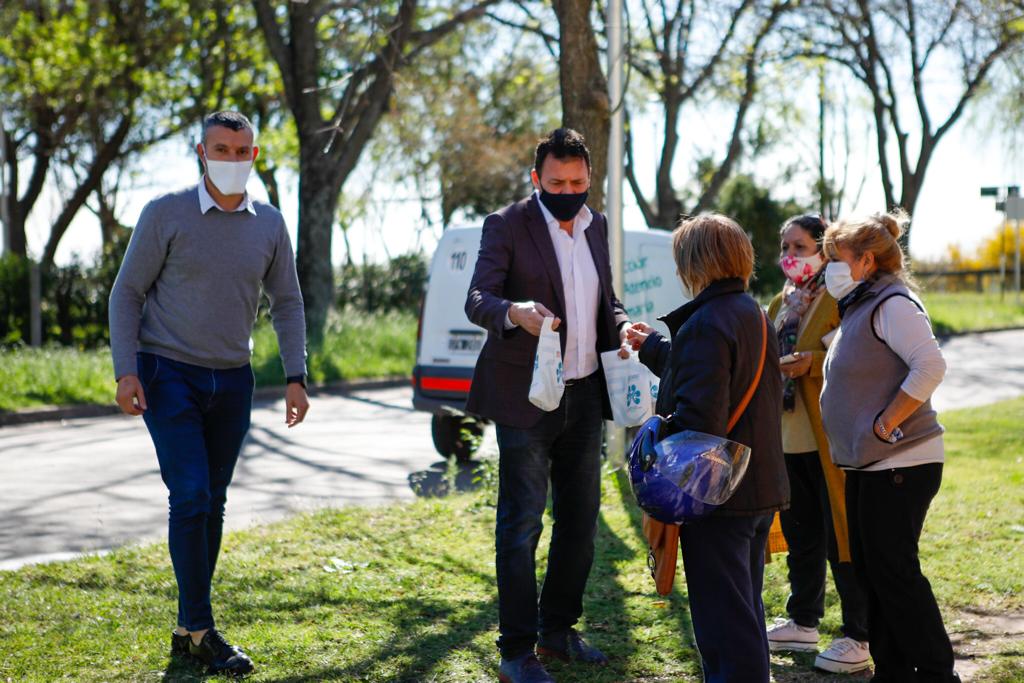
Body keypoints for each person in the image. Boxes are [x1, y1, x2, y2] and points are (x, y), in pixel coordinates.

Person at [109, 111, 309, 676]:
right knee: (192, 494)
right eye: (221, 148)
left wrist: (296, 374)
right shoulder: (164, 213)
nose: (232, 158)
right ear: (202, 153)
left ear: (255, 156)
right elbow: (127, 293)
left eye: (242, 150)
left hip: (233, 378)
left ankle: (185, 626)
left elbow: (287, 302)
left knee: (213, 501)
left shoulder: (269, 223)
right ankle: (202, 629)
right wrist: (127, 369)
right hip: (167, 371)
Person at [465, 128, 630, 683]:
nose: (568, 191)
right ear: (537, 179)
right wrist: (515, 312)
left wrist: (624, 325)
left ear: (590, 179)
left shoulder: (598, 225)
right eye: (556, 182)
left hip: (585, 395)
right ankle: (517, 651)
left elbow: (605, 298)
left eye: (578, 182)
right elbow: (478, 298)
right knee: (521, 525)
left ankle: (557, 630)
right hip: (526, 398)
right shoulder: (507, 224)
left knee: (580, 522)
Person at [626, 213, 788, 683]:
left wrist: (656, 428)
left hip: (718, 498)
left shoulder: (704, 323)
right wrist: (655, 348)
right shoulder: (754, 314)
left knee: (725, 631)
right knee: (745, 615)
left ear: (692, 264)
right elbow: (727, 381)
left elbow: (700, 425)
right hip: (758, 488)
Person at [819, 211, 957, 683]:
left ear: (866, 260)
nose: (829, 268)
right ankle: (893, 671)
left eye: (836, 258)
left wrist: (885, 423)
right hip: (867, 464)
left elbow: (931, 366)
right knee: (873, 573)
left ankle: (938, 672)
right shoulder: (862, 302)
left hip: (900, 462)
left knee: (894, 573)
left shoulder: (893, 303)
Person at [765, 215, 871, 673]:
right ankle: (803, 619)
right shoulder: (779, 301)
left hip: (828, 438)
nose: (791, 256)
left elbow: (858, 352)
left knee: (841, 536)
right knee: (801, 533)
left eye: (801, 246)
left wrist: (812, 362)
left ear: (824, 252)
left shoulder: (841, 298)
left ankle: (858, 633)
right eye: (785, 246)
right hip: (788, 437)